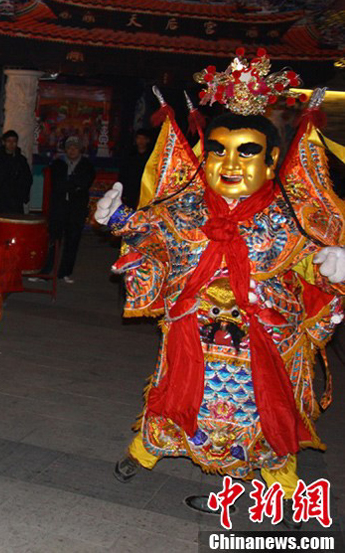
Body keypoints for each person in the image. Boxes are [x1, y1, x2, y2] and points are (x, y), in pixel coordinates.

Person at [95, 51, 345, 523]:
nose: (229, 163)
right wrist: (118, 218)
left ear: (272, 161)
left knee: (268, 415)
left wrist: (334, 265)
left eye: (246, 151)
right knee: (173, 399)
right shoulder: (188, 206)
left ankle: (283, 488)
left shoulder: (290, 215)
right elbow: (158, 236)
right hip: (195, 333)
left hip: (265, 341)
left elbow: (312, 261)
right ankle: (143, 453)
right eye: (218, 150)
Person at [46, 135, 95, 283]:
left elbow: (83, 184)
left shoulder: (86, 165)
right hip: (59, 207)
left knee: (72, 241)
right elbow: (58, 184)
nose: (72, 150)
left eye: (75, 147)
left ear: (80, 149)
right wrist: (72, 184)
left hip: (76, 209)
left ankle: (65, 272)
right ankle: (46, 270)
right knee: (53, 240)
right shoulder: (58, 164)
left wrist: (71, 184)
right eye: (69, 148)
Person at [0, 129, 32, 215]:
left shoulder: (21, 160)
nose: (11, 144)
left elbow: (27, 178)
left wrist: (23, 195)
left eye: (14, 141)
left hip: (15, 200)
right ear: (4, 142)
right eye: (9, 141)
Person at [117, 128, 153, 209]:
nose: (141, 141)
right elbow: (123, 171)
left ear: (147, 140)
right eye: (139, 138)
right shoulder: (130, 154)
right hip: (130, 187)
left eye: (143, 139)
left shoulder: (151, 155)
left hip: (145, 187)